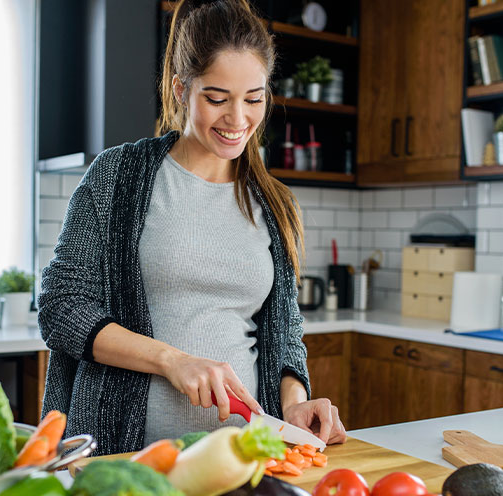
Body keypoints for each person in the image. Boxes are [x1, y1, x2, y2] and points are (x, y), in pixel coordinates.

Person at [38, 0, 346, 456]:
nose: (238, 120)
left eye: (254, 99)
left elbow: (283, 332)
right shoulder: (118, 176)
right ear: (182, 90)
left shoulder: (274, 201)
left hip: (241, 460)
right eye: (217, 99)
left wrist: (295, 403)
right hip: (127, 456)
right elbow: (61, 308)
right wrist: (171, 361)